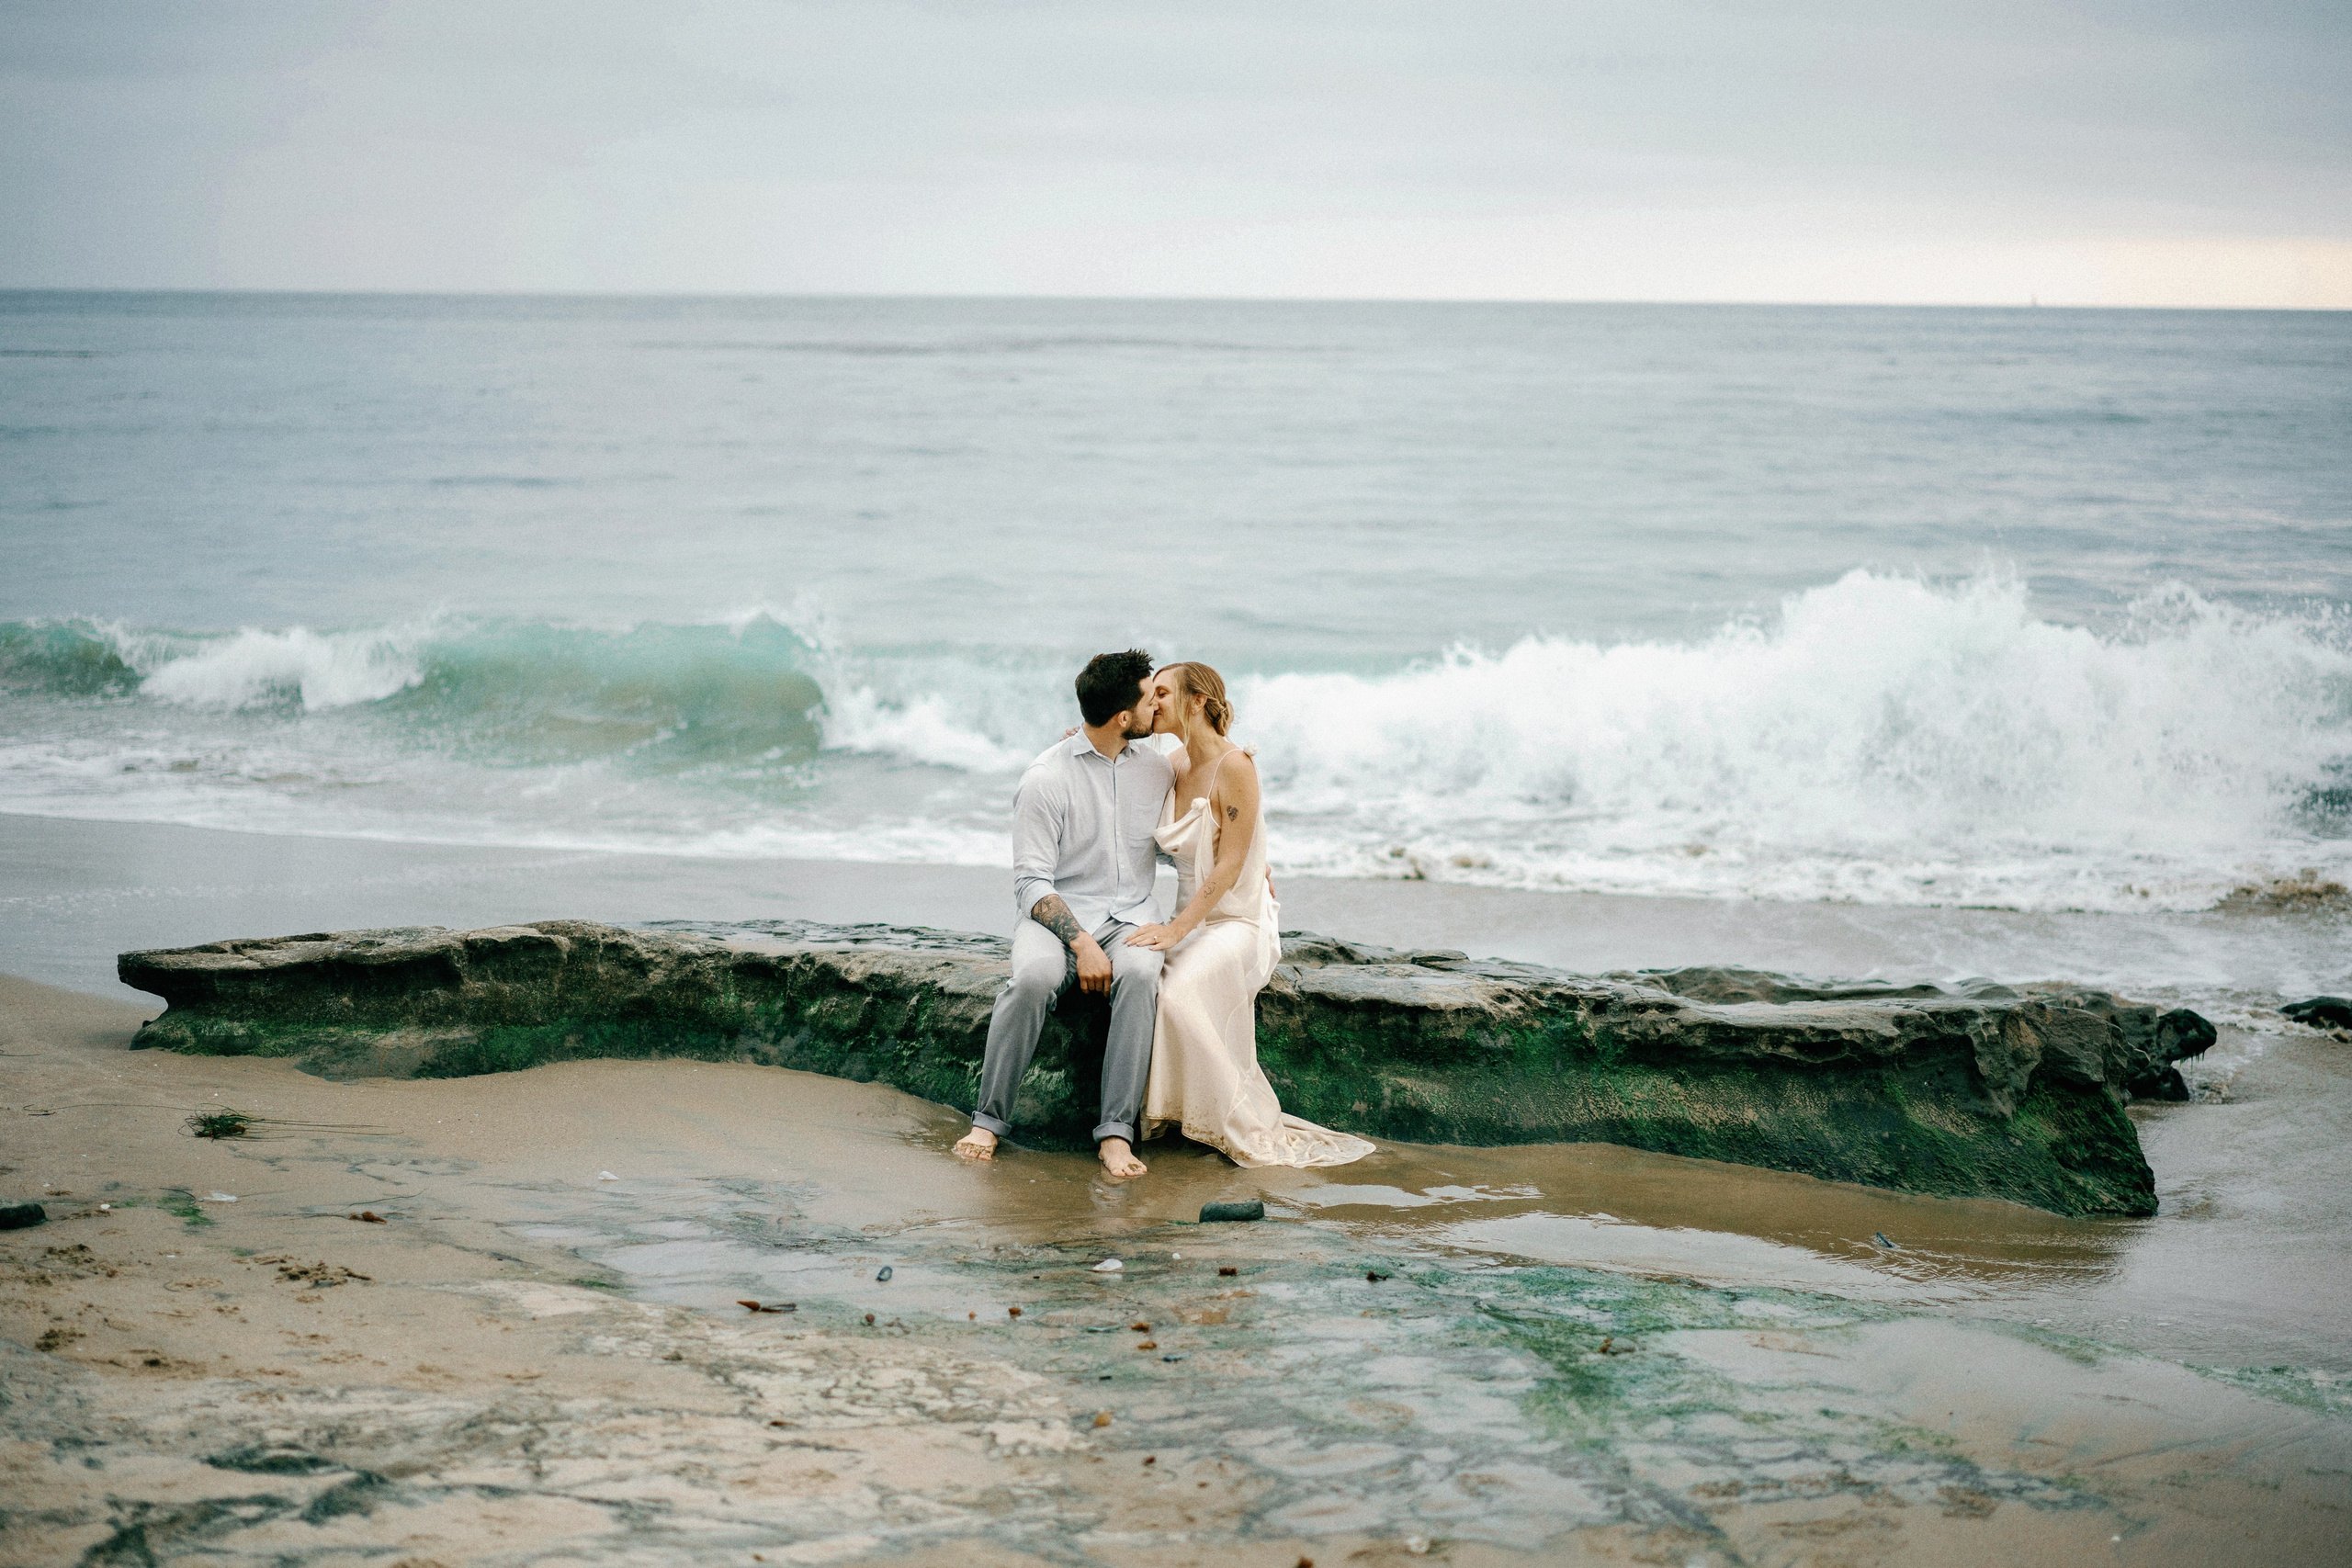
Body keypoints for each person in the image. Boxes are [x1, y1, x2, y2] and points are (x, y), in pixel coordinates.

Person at [1124, 662, 1375, 1168]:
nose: (1154, 704)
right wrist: (1074, 741)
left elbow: (1233, 862)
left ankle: (1228, 1119)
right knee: (1145, 982)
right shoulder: (1171, 764)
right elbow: (1112, 768)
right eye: (1151, 696)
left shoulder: (1235, 765)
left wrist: (1176, 930)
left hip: (1237, 921)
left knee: (1177, 993)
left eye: (1164, 694)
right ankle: (1175, 1114)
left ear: (1197, 701)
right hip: (1195, 914)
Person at [955, 649, 1170, 1178]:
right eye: (1149, 700)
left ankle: (1116, 1133)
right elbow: (1030, 882)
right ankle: (988, 1120)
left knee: (1141, 973)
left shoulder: (1159, 768)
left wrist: (1248, 864)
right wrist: (1081, 942)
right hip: (1057, 919)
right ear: (1124, 718)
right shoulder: (1045, 778)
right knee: (1033, 978)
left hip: (1131, 915)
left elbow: (1178, 843)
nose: (1156, 712)